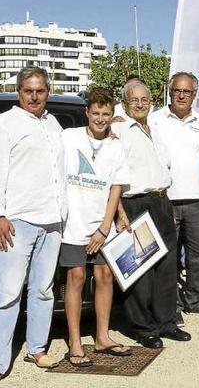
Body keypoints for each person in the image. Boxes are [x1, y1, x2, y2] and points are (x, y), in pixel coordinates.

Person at [0, 67, 66, 387]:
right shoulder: (5, 125)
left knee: (43, 290)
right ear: (18, 92)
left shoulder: (53, 124)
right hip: (17, 221)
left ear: (47, 92)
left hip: (53, 221)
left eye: (40, 91)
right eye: (28, 91)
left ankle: (37, 349)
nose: (34, 96)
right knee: (7, 293)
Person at [114, 81, 189, 348]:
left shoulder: (154, 128)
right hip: (136, 203)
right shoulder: (119, 128)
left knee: (167, 267)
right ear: (124, 103)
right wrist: (119, 211)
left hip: (161, 202)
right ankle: (143, 327)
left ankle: (166, 322)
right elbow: (112, 173)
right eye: (133, 100)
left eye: (144, 99)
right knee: (142, 270)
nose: (140, 104)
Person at [60, 87, 131, 368]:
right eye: (96, 113)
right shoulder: (68, 138)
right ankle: (75, 343)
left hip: (102, 224)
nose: (100, 119)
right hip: (72, 223)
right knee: (76, 278)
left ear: (112, 117)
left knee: (104, 277)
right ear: (86, 112)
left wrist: (105, 227)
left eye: (106, 114)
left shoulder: (116, 146)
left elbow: (116, 189)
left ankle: (102, 336)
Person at [150, 71, 199, 316]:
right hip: (165, 200)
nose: (181, 95)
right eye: (177, 90)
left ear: (194, 95)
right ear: (170, 92)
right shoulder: (154, 119)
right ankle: (172, 304)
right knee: (167, 256)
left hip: (198, 201)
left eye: (186, 91)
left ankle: (194, 301)